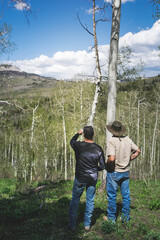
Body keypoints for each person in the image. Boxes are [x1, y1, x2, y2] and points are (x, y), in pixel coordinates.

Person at [68, 126, 105, 231]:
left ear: (83, 134)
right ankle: (87, 225)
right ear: (93, 134)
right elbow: (103, 166)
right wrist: (94, 168)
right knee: (90, 200)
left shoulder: (78, 145)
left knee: (75, 199)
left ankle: (72, 225)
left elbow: (71, 141)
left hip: (80, 177)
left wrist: (77, 133)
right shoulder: (98, 148)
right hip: (92, 178)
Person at [104, 121, 141, 223]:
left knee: (112, 196)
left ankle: (111, 219)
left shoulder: (112, 141)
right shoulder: (128, 140)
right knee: (126, 196)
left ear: (112, 130)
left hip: (114, 172)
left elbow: (111, 158)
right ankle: (125, 218)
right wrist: (129, 159)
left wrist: (106, 164)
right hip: (125, 172)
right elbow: (138, 150)